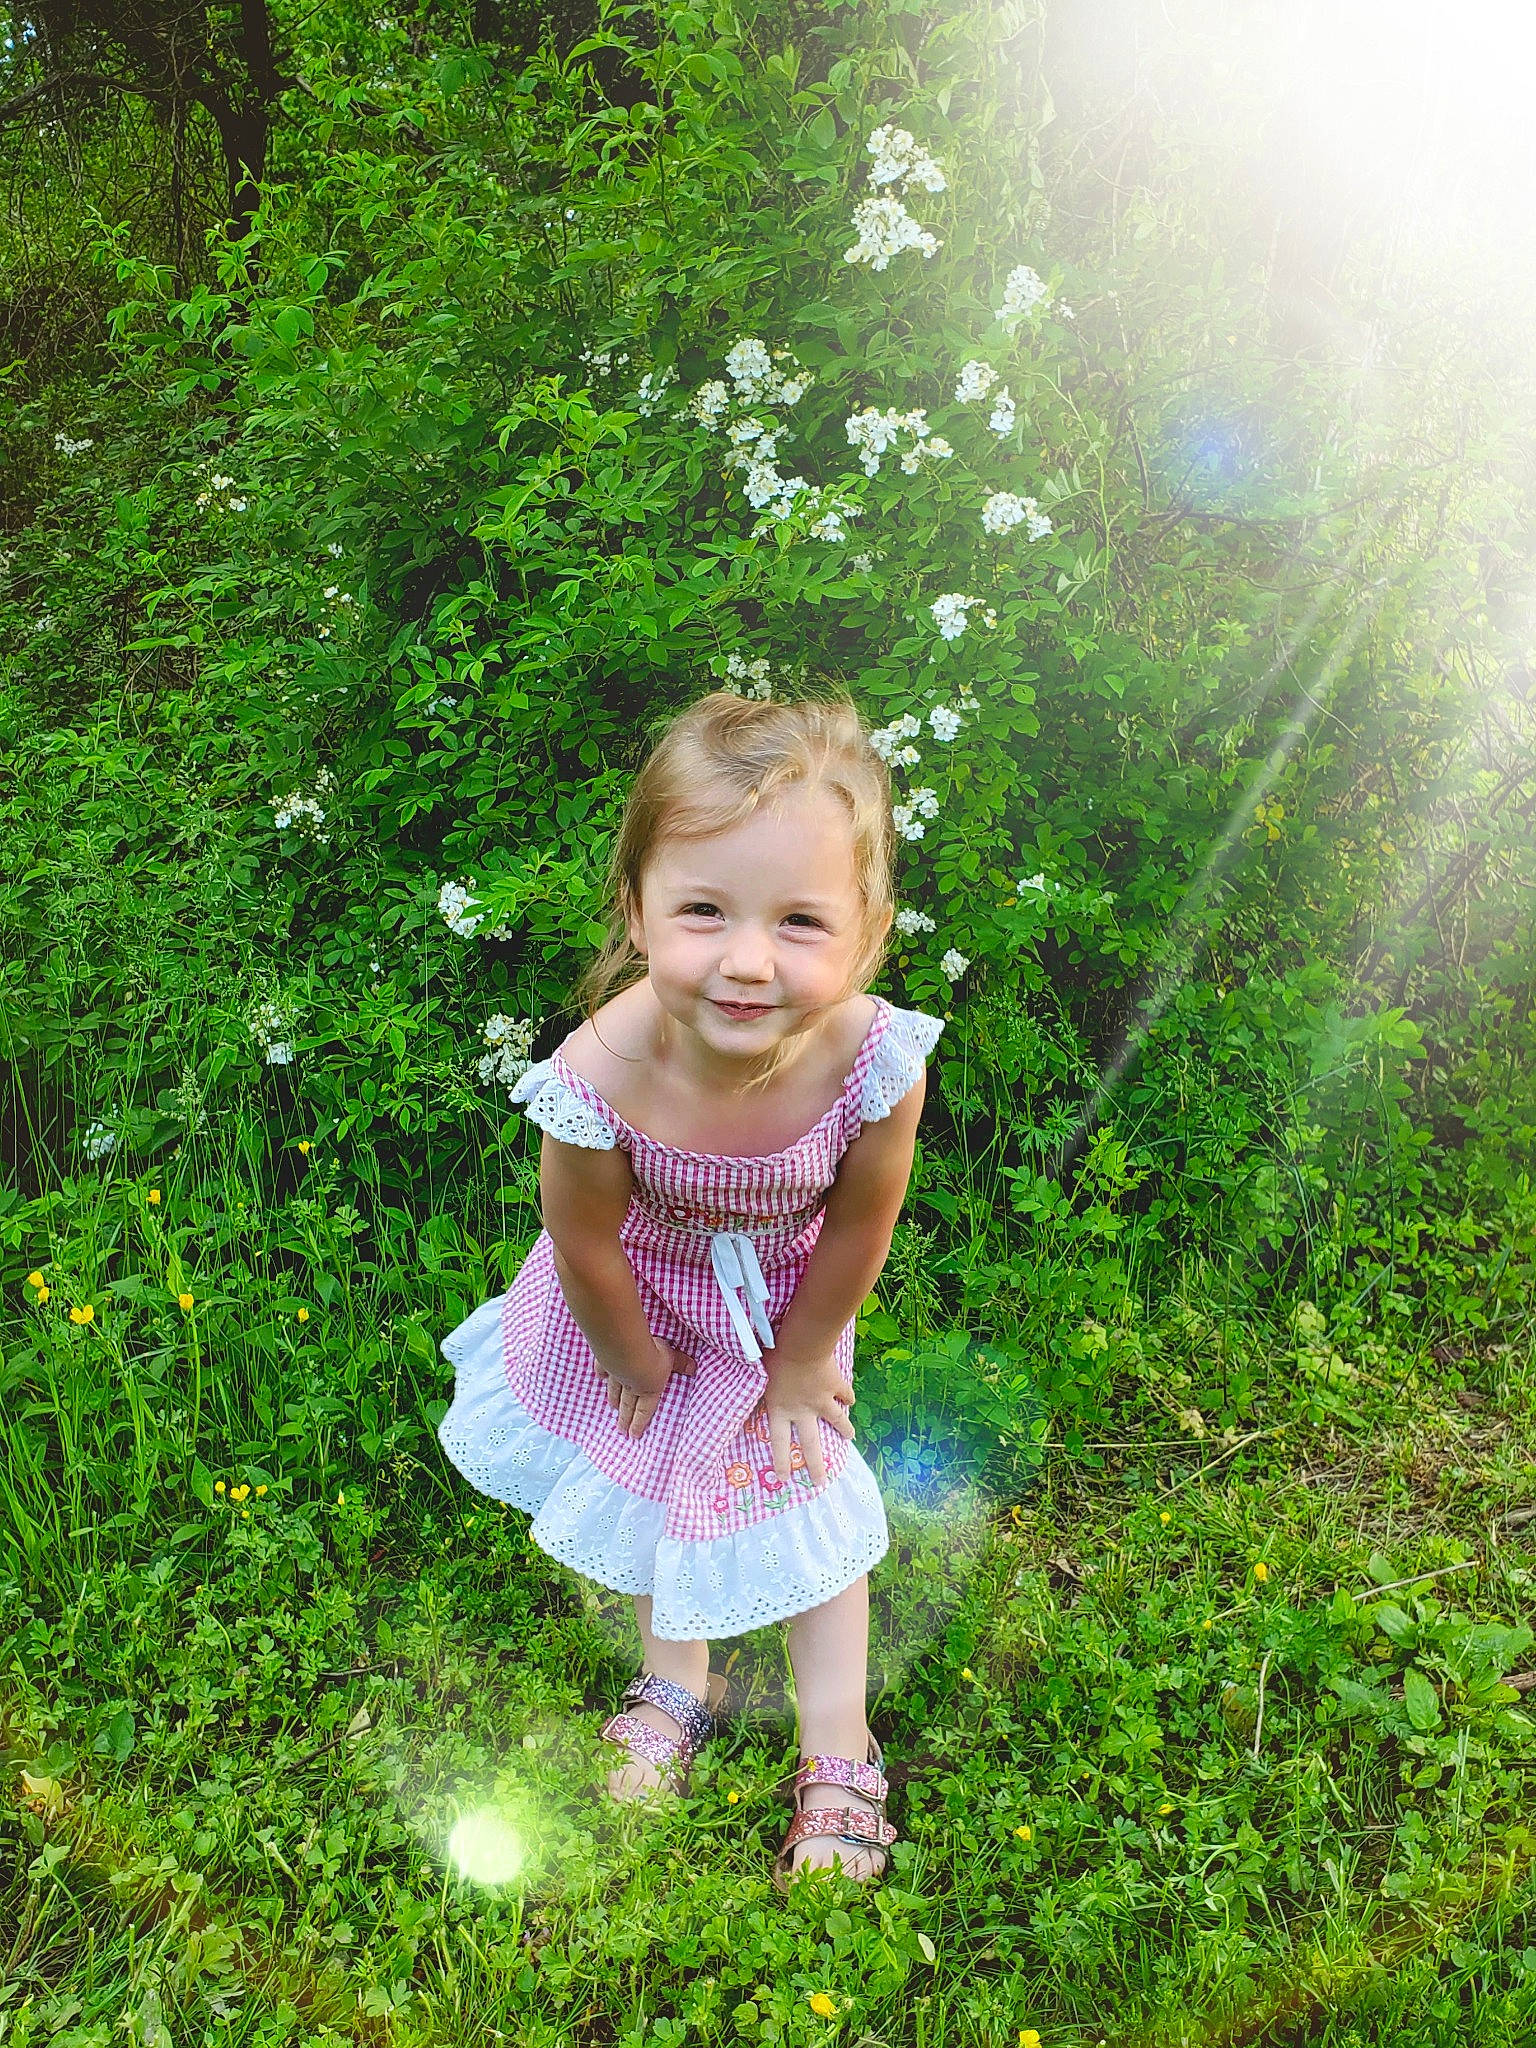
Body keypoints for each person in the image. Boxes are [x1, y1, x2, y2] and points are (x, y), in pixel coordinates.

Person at [438, 690, 945, 1890]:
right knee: (664, 1476)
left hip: (785, 1308)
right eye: (704, 909)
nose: (748, 959)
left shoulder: (872, 1059)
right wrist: (628, 1355)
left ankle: (838, 1745)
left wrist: (806, 1354)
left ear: (869, 934)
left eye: (801, 920)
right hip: (642, 1302)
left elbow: (864, 1214)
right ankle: (678, 1679)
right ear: (637, 907)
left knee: (805, 1491)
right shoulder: (602, 1069)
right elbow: (582, 1236)